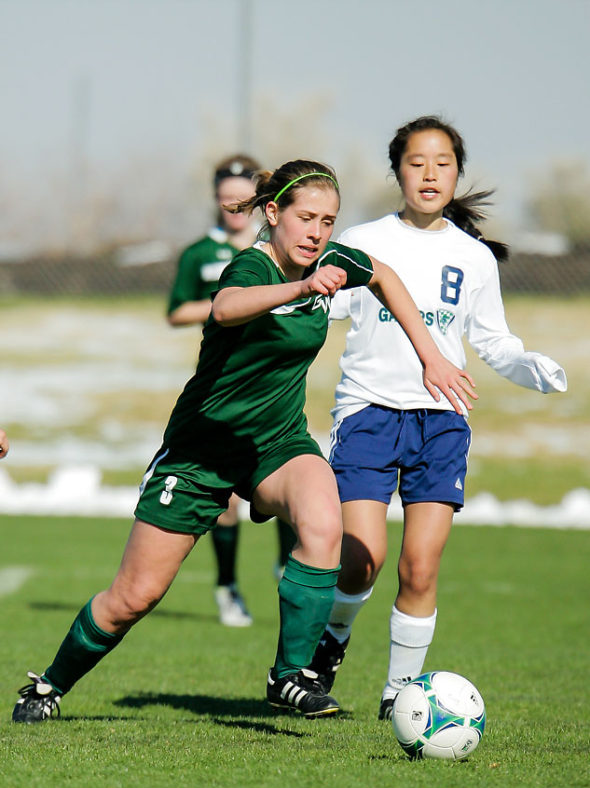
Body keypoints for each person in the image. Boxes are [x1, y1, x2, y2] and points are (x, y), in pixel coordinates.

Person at [13, 158, 476, 725]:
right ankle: (48, 686)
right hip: (201, 450)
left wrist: (431, 354)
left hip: (277, 443)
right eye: (306, 218)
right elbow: (226, 308)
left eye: (328, 221)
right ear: (274, 213)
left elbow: (384, 276)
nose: (318, 232)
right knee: (135, 596)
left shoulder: (331, 260)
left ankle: (290, 676)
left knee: (324, 520)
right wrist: (301, 287)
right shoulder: (251, 268)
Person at [309, 116, 568, 719]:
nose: (430, 174)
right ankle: (333, 642)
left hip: (442, 421)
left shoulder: (474, 257)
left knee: (419, 567)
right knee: (361, 558)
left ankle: (401, 695)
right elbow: (327, 306)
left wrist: (528, 365)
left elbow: (493, 341)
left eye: (443, 163)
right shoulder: (364, 238)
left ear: (458, 172)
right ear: (397, 169)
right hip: (369, 411)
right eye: (417, 162)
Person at [167, 153, 296, 626]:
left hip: (268, 387)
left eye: (240, 199)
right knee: (225, 500)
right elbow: (176, 311)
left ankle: (287, 567)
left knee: (293, 476)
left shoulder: (284, 253)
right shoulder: (201, 253)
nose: (231, 206)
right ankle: (227, 587)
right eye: (224, 199)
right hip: (218, 386)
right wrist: (229, 304)